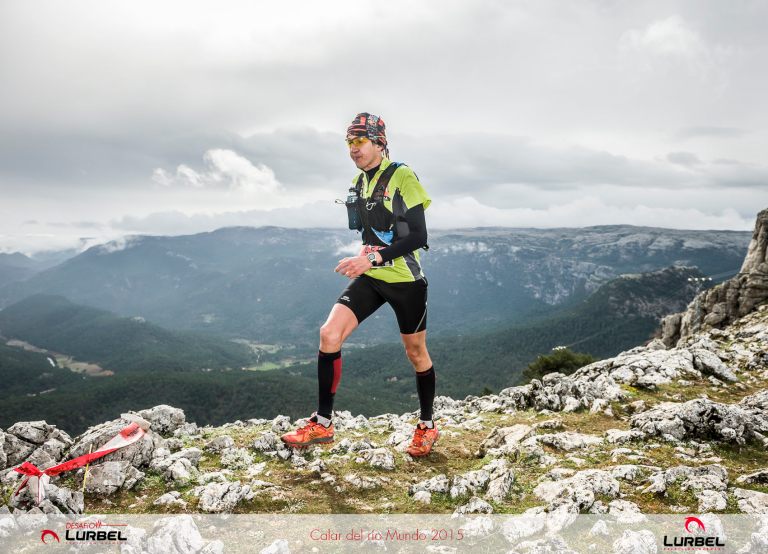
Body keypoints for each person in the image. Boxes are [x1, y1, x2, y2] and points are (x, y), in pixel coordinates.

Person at [281, 112, 438, 457]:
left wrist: (372, 259)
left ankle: (427, 426)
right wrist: (366, 259)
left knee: (416, 353)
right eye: (349, 142)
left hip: (405, 281)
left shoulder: (402, 176)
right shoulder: (359, 182)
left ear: (380, 143)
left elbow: (420, 236)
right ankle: (323, 423)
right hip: (371, 277)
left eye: (360, 141)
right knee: (328, 334)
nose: (353, 149)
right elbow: (373, 233)